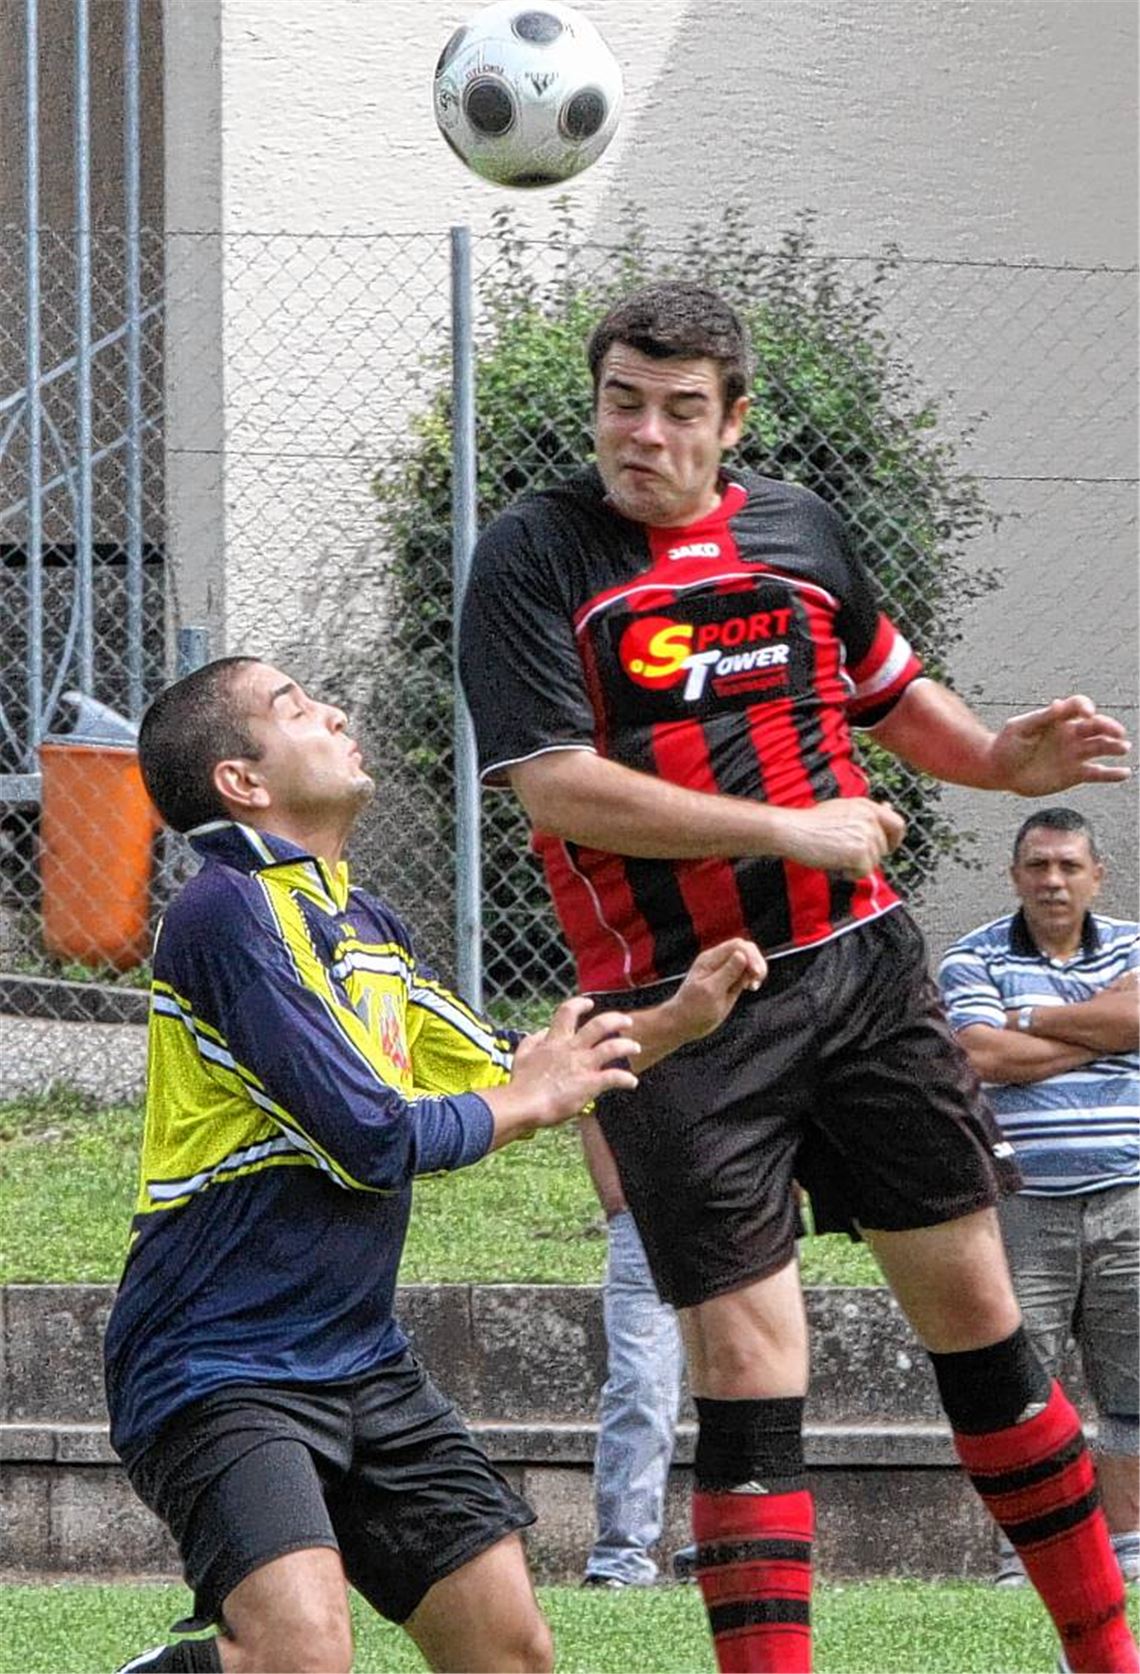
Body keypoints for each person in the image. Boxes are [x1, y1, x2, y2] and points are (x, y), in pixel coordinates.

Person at [458, 280, 1138, 1674]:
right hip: (678, 1014)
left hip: (863, 977)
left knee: (983, 1326)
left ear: (734, 421)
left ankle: (1108, 1657)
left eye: (679, 411)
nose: (643, 435)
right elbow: (559, 785)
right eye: (621, 403)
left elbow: (888, 693)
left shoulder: (799, 531)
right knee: (748, 1371)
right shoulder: (534, 554)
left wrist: (996, 759)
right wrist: (788, 829)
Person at [104, 654, 767, 1674]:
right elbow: (371, 1138)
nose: (333, 713)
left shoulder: (366, 925)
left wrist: (676, 1020)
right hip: (216, 1361)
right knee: (297, 1658)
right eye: (295, 707)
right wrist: (530, 1097)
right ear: (243, 780)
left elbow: (512, 1068)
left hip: (358, 1356)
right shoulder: (226, 912)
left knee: (508, 1652)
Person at [939, 806, 1139, 1590]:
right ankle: (1026, 1562)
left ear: (1097, 876)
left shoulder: (1134, 946)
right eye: (1038, 866)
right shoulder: (972, 956)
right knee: (1023, 1392)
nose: (1053, 881)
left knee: (1133, 1392)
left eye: (1068, 866)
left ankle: (1129, 1551)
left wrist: (1030, 1021)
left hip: (1129, 1199)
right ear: (1014, 874)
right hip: (1023, 1206)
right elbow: (979, 1055)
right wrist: (1099, 1031)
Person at [578, 1115, 690, 1589]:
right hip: (644, 1216)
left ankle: (728, 1544)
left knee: (744, 1383)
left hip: (743, 1210)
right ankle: (620, 1560)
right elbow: (592, 1100)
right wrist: (618, 1204)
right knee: (640, 1384)